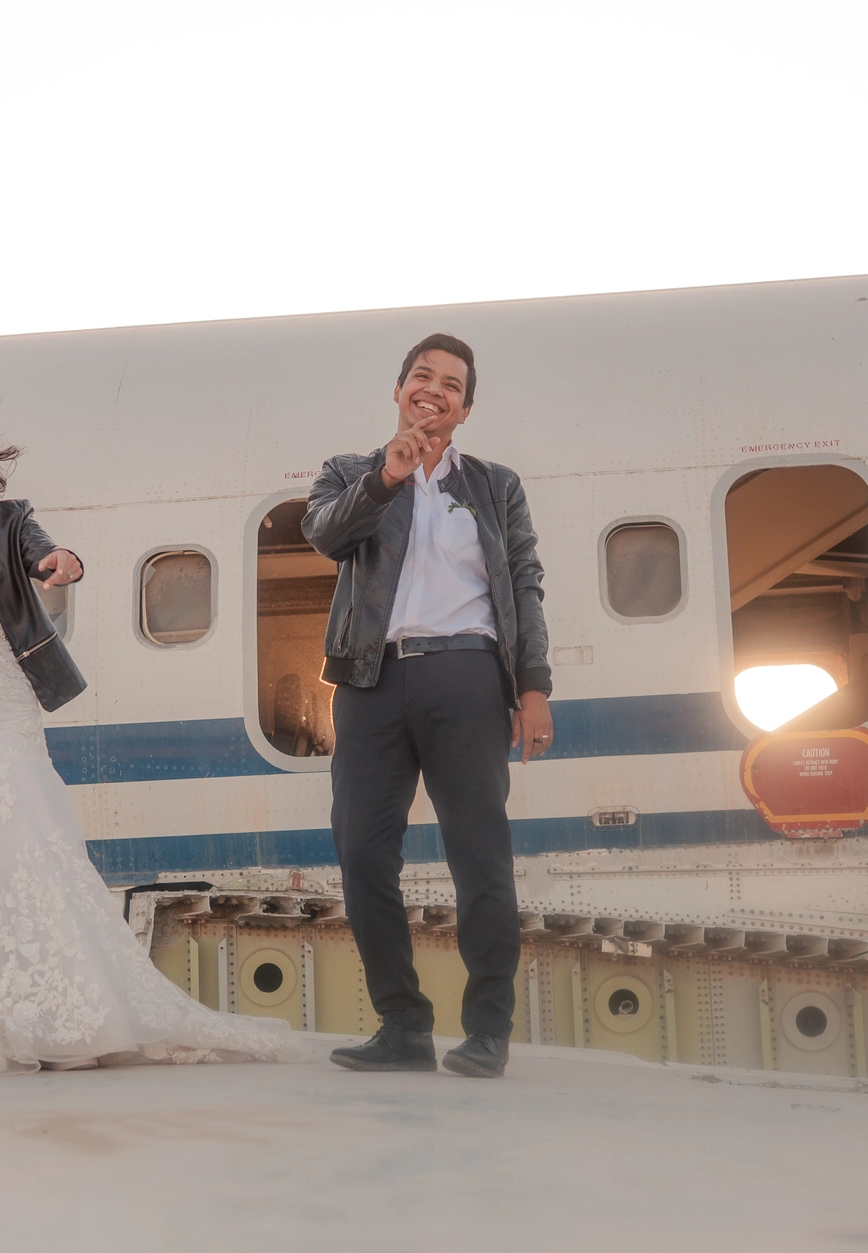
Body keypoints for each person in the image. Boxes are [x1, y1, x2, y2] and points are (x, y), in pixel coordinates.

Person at [0, 376, 300, 1078]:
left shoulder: (10, 518)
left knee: (33, 849)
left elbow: (50, 558)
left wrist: (66, 565)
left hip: (3, 702)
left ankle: (64, 1018)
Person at [302, 334, 553, 1079]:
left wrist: (532, 688)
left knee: (480, 858)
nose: (433, 389)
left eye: (450, 384)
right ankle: (403, 1025)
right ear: (399, 390)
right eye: (421, 377)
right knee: (361, 851)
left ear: (465, 407)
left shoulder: (495, 485)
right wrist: (386, 477)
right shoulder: (349, 472)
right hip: (372, 681)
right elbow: (324, 534)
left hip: (468, 677)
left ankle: (487, 1032)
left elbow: (525, 583)